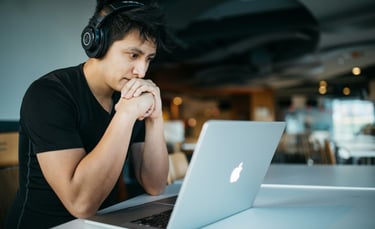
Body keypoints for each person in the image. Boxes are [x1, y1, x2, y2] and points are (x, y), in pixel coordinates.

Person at [5, 0, 171, 228]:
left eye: (148, 59)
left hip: (101, 224)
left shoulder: (128, 94)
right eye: (133, 55)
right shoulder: (49, 94)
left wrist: (155, 116)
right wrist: (125, 115)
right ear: (97, 44)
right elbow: (80, 204)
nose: (141, 71)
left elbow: (155, 185)